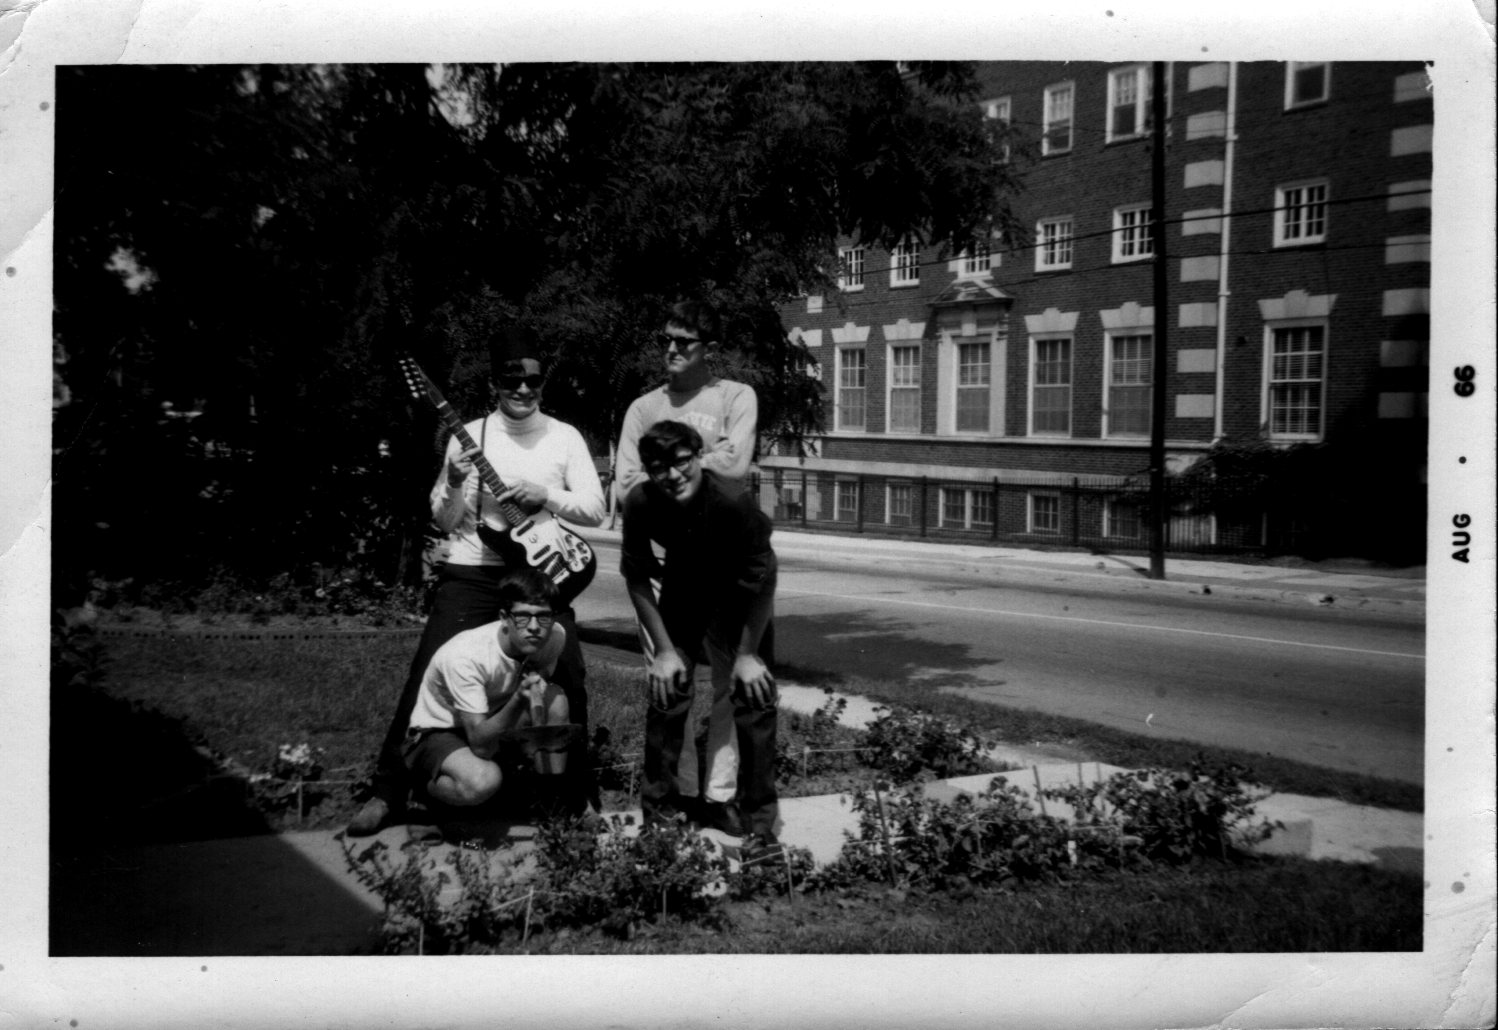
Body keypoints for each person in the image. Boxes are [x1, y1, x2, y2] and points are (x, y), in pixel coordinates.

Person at [347, 326, 605, 836]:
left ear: (542, 382)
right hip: (472, 569)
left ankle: (578, 798)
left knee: (569, 672)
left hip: (534, 578)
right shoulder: (470, 434)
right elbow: (444, 520)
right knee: (427, 666)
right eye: (513, 379)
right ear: (495, 382)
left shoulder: (564, 437)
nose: (524, 389)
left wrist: (547, 495)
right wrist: (459, 480)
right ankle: (388, 791)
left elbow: (596, 509)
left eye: (533, 379)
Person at [613, 300, 761, 836]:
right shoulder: (642, 408)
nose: (671, 350)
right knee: (673, 683)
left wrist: (667, 478)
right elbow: (628, 487)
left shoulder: (734, 397)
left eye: (685, 342)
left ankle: (719, 796)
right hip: (667, 566)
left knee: (729, 685)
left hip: (724, 563)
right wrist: (704, 467)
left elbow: (736, 466)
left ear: (709, 350)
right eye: (666, 340)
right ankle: (673, 798)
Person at [620, 419, 782, 861]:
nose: (673, 476)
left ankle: (761, 829)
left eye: (682, 462)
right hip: (684, 593)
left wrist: (748, 654)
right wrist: (666, 651)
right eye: (658, 468)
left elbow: (765, 578)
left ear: (698, 457)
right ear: (648, 472)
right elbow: (635, 575)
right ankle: (659, 825)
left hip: (738, 599)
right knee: (666, 692)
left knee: (755, 696)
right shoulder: (640, 502)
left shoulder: (732, 501)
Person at [402, 568, 578, 818]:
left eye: (543, 617)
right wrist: (519, 699)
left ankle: (550, 802)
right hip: (439, 730)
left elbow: (542, 674)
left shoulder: (554, 636)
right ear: (504, 617)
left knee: (556, 700)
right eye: (523, 617)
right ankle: (422, 791)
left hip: (490, 718)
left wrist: (535, 686)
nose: (535, 628)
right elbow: (481, 746)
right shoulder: (466, 656)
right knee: (483, 782)